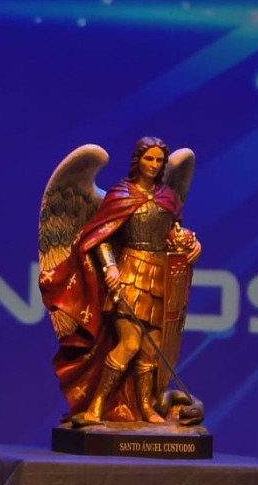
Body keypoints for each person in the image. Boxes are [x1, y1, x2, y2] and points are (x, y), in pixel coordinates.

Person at [40, 136, 203, 426]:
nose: (154, 165)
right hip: (128, 273)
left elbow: (172, 233)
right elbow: (101, 236)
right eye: (148, 158)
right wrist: (110, 268)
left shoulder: (167, 197)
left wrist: (190, 243)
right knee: (129, 343)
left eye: (158, 160)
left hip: (158, 277)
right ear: (137, 160)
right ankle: (96, 407)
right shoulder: (120, 194)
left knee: (150, 350)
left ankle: (144, 407)